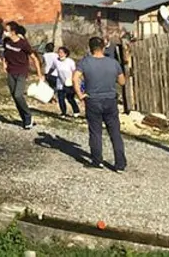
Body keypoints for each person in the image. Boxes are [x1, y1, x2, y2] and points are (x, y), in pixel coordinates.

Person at [73, 37, 127, 172]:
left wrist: (80, 94)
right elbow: (122, 82)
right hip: (110, 99)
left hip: (93, 100)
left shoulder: (85, 62)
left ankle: (97, 161)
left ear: (90, 48)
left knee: (95, 131)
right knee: (115, 132)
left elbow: (75, 78)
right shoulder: (113, 63)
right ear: (103, 47)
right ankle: (120, 164)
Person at [2, 21, 42, 129]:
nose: (5, 32)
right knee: (14, 97)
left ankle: (28, 116)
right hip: (11, 71)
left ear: (13, 32)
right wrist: (4, 64)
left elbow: (34, 58)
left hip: (21, 71)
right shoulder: (6, 41)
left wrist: (39, 74)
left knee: (18, 95)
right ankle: (25, 119)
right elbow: (5, 53)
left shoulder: (23, 44)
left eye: (7, 30)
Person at [52, 46, 80, 117]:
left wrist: (74, 80)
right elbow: (52, 68)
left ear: (65, 54)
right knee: (61, 98)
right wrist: (47, 74)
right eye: (58, 52)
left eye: (61, 52)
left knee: (70, 98)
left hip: (69, 82)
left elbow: (74, 71)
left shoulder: (70, 61)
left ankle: (76, 111)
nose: (59, 54)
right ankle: (63, 112)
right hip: (60, 82)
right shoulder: (56, 61)